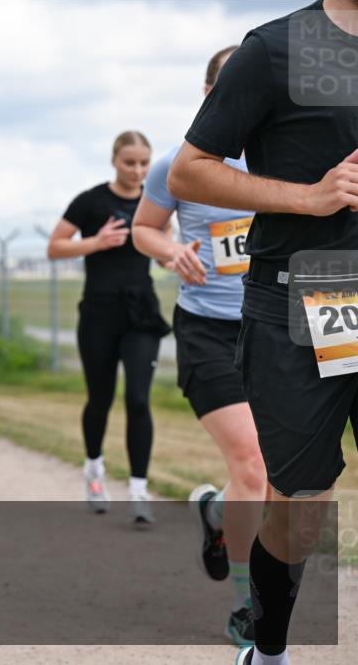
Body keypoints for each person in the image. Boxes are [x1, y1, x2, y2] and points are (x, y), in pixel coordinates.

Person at [168, 1, 358, 663]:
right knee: (302, 501)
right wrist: (310, 196)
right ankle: (269, 648)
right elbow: (189, 169)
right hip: (305, 296)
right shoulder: (276, 47)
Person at [132, 46, 266, 647]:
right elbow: (143, 227)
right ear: (210, 93)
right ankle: (246, 603)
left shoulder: (285, 161)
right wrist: (170, 250)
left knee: (280, 479)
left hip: (275, 329)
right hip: (208, 331)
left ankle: (216, 515)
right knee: (253, 466)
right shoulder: (175, 166)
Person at [46, 130, 169, 527]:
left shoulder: (157, 203)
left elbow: (165, 253)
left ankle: (137, 489)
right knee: (100, 400)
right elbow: (55, 247)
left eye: (144, 163)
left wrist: (176, 255)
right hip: (99, 313)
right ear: (114, 161)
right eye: (129, 162)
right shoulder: (91, 201)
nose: (137, 170)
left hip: (141, 315)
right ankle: (94, 468)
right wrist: (96, 243)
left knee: (137, 398)